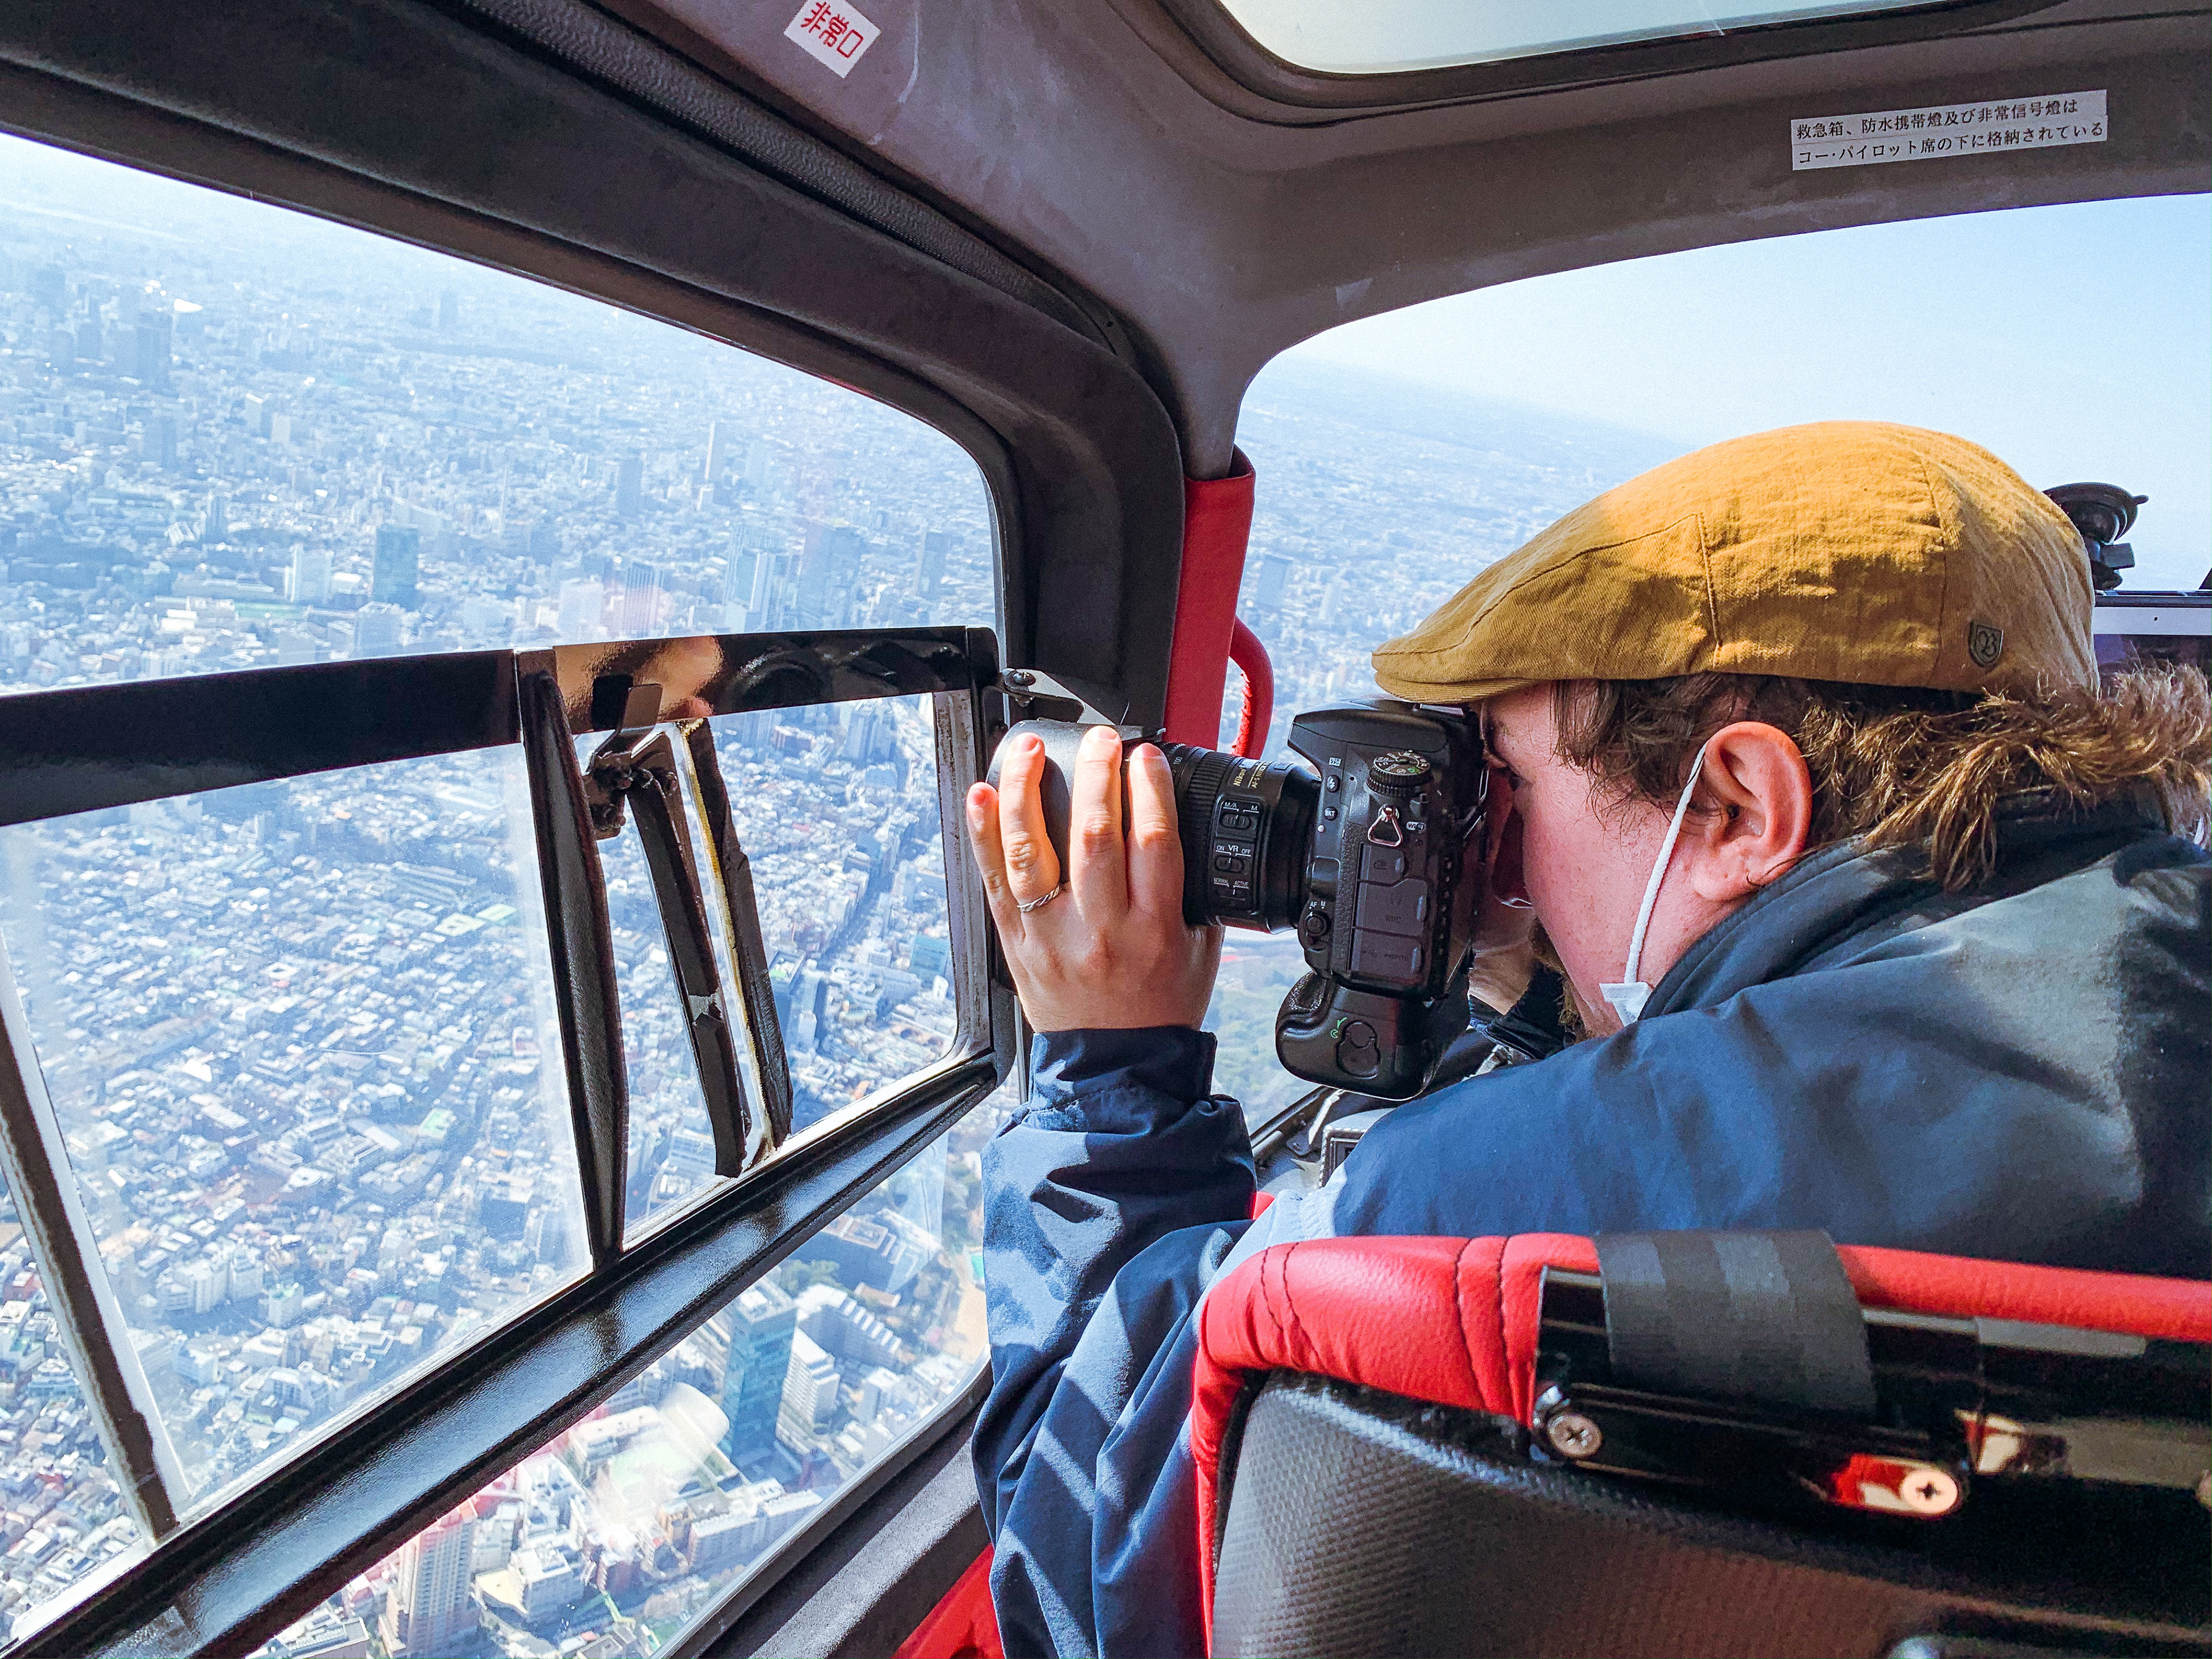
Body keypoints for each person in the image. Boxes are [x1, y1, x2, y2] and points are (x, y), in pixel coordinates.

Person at [960, 423, 2211, 1658]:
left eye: (1515, 790)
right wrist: (1559, 1001)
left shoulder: (1472, 1207)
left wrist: (1108, 1073)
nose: (1492, 859)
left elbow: (1080, 1561)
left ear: (1738, 807)